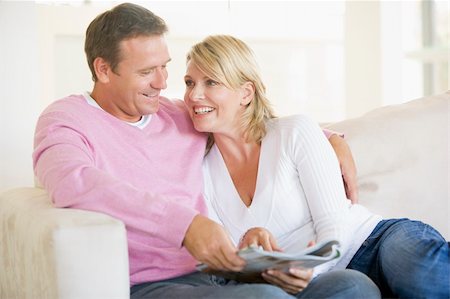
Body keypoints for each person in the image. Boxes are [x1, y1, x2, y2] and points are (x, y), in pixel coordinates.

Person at [32, 3, 377, 299]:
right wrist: (185, 225)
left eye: (165, 66)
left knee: (353, 286)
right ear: (103, 69)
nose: (162, 82)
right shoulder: (65, 120)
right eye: (146, 71)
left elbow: (242, 117)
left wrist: (330, 138)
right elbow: (73, 182)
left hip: (225, 272)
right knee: (266, 297)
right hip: (154, 284)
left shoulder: (174, 114)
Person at [183, 34, 450, 298]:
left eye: (211, 82)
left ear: (246, 93)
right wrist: (248, 249)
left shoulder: (293, 132)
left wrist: (309, 270)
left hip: (372, 243)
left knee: (422, 274)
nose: (194, 95)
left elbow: (335, 223)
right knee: (353, 290)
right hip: (313, 284)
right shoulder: (200, 172)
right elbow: (225, 260)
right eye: (189, 82)